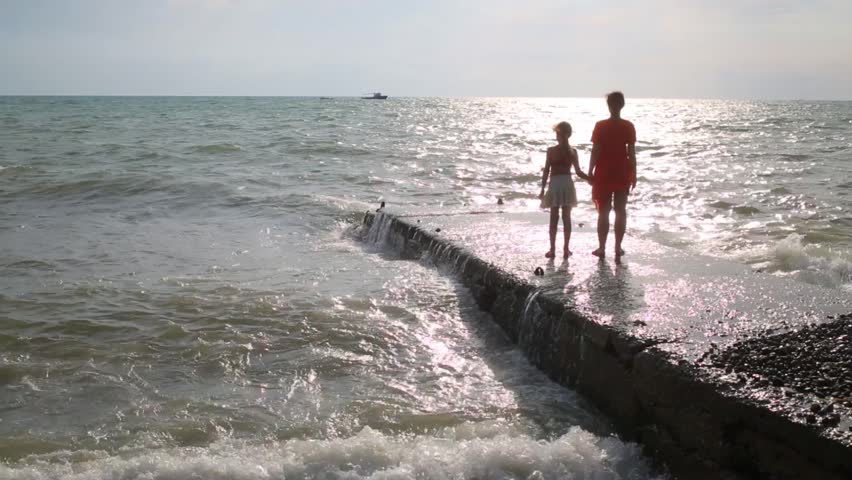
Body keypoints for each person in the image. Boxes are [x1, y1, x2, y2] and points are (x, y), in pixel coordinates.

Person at [588, 91, 636, 260]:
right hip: (622, 170)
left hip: (604, 171)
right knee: (621, 210)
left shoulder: (600, 125)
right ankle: (617, 247)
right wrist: (634, 173)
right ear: (622, 105)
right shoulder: (628, 126)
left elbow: (596, 150)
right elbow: (631, 153)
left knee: (603, 211)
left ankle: (601, 248)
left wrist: (590, 170)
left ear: (609, 105)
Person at [539, 121, 590, 258]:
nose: (556, 136)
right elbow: (578, 172)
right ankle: (566, 250)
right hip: (567, 184)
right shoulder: (573, 151)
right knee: (566, 218)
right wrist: (590, 178)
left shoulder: (551, 151)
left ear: (559, 134)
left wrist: (542, 189)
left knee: (553, 218)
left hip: (555, 184)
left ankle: (552, 250)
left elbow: (546, 171)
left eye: (557, 133)